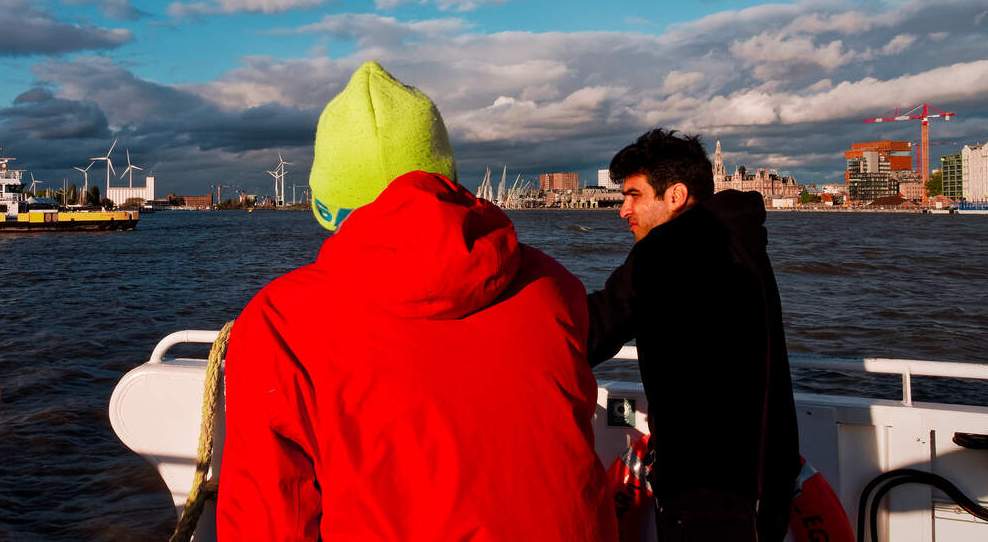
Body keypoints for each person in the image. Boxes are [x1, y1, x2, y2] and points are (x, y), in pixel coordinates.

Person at [216, 61, 614, 540]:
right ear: (449, 178)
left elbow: (268, 515)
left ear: (322, 205)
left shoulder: (278, 320)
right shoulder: (554, 286)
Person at [587, 129, 800, 541]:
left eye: (634, 195)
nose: (622, 209)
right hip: (765, 480)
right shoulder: (740, 240)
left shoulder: (667, 249)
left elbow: (595, 328)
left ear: (675, 195)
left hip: (707, 488)